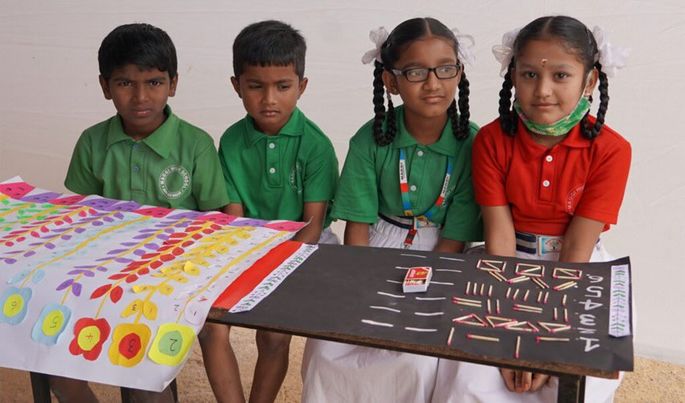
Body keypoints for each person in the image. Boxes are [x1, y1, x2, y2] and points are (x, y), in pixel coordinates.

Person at [431, 15, 631, 403]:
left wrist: (543, 342)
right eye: (528, 75)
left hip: (577, 271)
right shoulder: (490, 140)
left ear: (590, 80)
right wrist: (510, 338)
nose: (542, 90)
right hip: (503, 265)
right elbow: (500, 239)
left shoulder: (612, 150)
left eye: (561, 75)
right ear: (513, 75)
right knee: (471, 377)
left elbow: (577, 249)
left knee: (576, 381)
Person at [300, 17, 482, 402]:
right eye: (416, 72)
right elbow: (358, 227)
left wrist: (425, 279)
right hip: (377, 244)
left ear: (459, 73)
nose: (433, 84)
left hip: (442, 254)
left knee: (415, 356)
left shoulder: (474, 143)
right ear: (391, 81)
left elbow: (456, 234)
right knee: (328, 348)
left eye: (445, 69)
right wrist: (361, 284)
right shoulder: (370, 138)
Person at [59, 23, 229, 403]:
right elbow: (81, 218)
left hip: (175, 274)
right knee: (50, 345)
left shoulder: (196, 145)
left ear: (173, 83)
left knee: (141, 361)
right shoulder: (92, 142)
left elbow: (216, 222)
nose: (140, 96)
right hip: (107, 268)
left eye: (153, 82)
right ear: (105, 86)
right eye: (124, 83)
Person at [199, 20, 339, 403]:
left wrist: (272, 265)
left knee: (274, 333)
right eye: (255, 86)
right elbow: (233, 216)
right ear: (236, 85)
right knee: (210, 322)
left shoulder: (316, 147)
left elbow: (312, 226)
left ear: (302, 86)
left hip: (303, 248)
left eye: (283, 87)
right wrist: (249, 256)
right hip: (244, 240)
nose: (269, 100)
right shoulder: (230, 141)